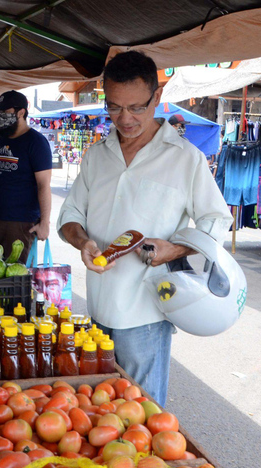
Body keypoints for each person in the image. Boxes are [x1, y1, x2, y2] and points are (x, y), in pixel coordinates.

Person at [56, 51, 232, 406]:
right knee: (99, 409)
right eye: (115, 107)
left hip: (147, 311)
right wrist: (82, 241)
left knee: (142, 413)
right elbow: (70, 214)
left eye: (137, 107)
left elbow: (217, 220)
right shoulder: (97, 155)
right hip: (97, 308)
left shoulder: (185, 158)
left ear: (157, 98)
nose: (125, 118)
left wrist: (177, 249)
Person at [0, 90, 52, 263]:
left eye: (7, 112)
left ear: (21, 112)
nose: (2, 116)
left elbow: (44, 185)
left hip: (22, 224)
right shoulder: (1, 140)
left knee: (14, 279)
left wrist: (45, 223)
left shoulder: (36, 142)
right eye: (1, 112)